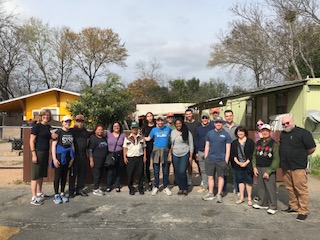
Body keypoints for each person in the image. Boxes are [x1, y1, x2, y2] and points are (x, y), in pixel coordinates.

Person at [279, 115, 316, 221]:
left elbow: (312, 148)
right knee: (290, 189)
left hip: (298, 166)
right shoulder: (283, 134)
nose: (286, 125)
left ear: (293, 121)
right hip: (286, 166)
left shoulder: (303, 133)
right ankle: (294, 207)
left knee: (301, 189)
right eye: (283, 124)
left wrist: (301, 155)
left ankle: (303, 210)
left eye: (287, 123)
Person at [202, 116, 231, 203]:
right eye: (217, 122)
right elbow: (207, 146)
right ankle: (211, 193)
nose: (218, 124)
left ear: (222, 124)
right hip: (210, 159)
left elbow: (228, 149)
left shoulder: (226, 134)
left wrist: (226, 160)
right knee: (210, 177)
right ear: (214, 123)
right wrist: (206, 157)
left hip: (221, 160)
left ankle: (219, 194)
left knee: (220, 177)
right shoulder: (209, 133)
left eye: (220, 122)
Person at [252, 124, 280, 215]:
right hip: (259, 167)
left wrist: (269, 171)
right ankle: (262, 203)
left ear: (270, 132)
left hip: (268, 168)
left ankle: (273, 206)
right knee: (260, 186)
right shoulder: (258, 142)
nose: (264, 132)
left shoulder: (274, 144)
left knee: (270, 187)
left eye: (266, 131)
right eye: (263, 131)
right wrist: (254, 167)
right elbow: (254, 156)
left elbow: (276, 159)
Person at [29, 109, 52, 205]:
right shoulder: (36, 127)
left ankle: (39, 192)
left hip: (45, 152)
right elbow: (31, 141)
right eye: (44, 116)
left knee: (41, 174)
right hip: (38, 152)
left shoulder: (48, 127)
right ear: (41, 117)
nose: (45, 117)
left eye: (47, 116)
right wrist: (33, 154)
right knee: (35, 175)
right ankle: (33, 197)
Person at [145, 114, 172, 196]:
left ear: (164, 121)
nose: (160, 122)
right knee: (156, 170)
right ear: (156, 121)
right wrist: (140, 137)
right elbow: (148, 138)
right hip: (156, 151)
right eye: (158, 120)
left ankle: (165, 187)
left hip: (165, 150)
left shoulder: (168, 128)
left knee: (165, 170)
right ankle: (156, 186)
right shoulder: (154, 130)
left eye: (162, 120)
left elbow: (172, 138)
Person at [51, 116, 75, 204]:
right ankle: (56, 194)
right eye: (66, 122)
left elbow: (72, 145)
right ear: (62, 123)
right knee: (58, 176)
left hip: (68, 156)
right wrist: (54, 158)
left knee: (65, 176)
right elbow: (53, 145)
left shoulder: (71, 132)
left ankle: (62, 193)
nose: (67, 123)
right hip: (59, 156)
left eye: (69, 122)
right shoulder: (58, 132)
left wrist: (72, 157)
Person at [230, 126, 255, 206]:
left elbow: (252, 154)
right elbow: (233, 154)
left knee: (248, 182)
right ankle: (241, 197)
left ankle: (249, 198)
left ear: (245, 132)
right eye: (238, 131)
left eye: (242, 131)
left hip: (248, 165)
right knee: (240, 181)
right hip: (238, 165)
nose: (240, 133)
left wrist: (246, 163)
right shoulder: (234, 142)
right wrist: (238, 162)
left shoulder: (250, 142)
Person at [170, 119, 194, 196]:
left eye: (180, 123)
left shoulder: (187, 132)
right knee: (177, 172)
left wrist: (190, 156)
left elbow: (191, 144)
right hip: (175, 154)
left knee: (182, 171)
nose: (178, 125)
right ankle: (181, 188)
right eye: (176, 124)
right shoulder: (172, 132)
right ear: (175, 124)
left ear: (182, 124)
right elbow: (171, 143)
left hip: (185, 153)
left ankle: (185, 188)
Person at [68, 114, 90, 198]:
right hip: (74, 156)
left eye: (82, 121)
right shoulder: (71, 130)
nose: (80, 123)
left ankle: (79, 189)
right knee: (73, 175)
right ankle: (71, 192)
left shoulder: (84, 131)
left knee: (82, 174)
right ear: (75, 121)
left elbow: (91, 134)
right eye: (78, 121)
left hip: (83, 155)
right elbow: (61, 133)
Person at [123, 121, 147, 195]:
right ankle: (131, 188)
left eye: (136, 128)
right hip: (130, 158)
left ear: (138, 128)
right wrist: (124, 157)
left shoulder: (141, 137)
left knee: (140, 173)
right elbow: (125, 148)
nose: (134, 129)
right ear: (131, 128)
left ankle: (140, 187)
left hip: (139, 157)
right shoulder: (127, 138)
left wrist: (145, 156)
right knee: (130, 174)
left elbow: (144, 147)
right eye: (133, 128)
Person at [195, 112, 214, 193]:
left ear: (208, 118)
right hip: (200, 151)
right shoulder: (199, 128)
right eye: (203, 118)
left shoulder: (212, 127)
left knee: (210, 170)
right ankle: (205, 186)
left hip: (210, 152)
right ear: (201, 119)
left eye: (206, 118)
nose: (204, 119)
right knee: (203, 170)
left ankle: (211, 186)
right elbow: (196, 140)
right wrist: (196, 152)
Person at [88, 124, 108, 196]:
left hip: (103, 160)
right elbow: (90, 150)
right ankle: (95, 189)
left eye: (101, 129)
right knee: (96, 175)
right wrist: (91, 160)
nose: (100, 131)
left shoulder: (103, 138)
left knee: (100, 174)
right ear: (95, 130)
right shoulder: (93, 138)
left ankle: (98, 187)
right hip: (96, 160)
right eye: (98, 129)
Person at [106, 121, 126, 192]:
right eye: (115, 126)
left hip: (119, 154)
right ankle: (109, 185)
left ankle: (117, 185)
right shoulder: (108, 133)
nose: (116, 127)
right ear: (112, 127)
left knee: (118, 170)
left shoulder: (123, 135)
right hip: (111, 154)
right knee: (110, 171)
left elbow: (125, 145)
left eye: (117, 126)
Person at [222, 110, 239, 195]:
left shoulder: (238, 127)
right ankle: (223, 188)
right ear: (225, 117)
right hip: (224, 152)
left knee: (235, 171)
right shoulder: (222, 127)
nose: (229, 117)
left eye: (230, 116)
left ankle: (236, 188)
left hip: (235, 151)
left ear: (233, 116)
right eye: (227, 116)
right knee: (224, 170)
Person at [184, 108, 201, 186]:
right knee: (189, 164)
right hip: (187, 148)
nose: (188, 115)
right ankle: (190, 179)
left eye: (189, 114)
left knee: (199, 164)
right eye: (187, 114)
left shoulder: (198, 124)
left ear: (192, 114)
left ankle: (203, 180)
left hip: (197, 147)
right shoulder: (184, 125)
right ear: (185, 115)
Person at [141, 112, 155, 191]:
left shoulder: (156, 126)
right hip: (147, 148)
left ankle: (157, 181)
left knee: (156, 164)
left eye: (151, 116)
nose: (150, 118)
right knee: (147, 165)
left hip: (156, 147)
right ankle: (149, 181)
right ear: (146, 118)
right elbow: (142, 137)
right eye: (148, 116)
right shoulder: (144, 127)